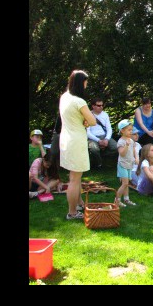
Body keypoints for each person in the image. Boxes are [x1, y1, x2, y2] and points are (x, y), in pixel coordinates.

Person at [59, 69, 97, 220]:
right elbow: (93, 121)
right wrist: (86, 121)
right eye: (86, 82)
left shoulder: (65, 97)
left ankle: (80, 202)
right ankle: (72, 212)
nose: (87, 85)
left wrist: (84, 121)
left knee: (75, 176)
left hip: (66, 139)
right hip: (76, 141)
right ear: (81, 83)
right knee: (74, 179)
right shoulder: (79, 101)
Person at [87, 98, 118, 169]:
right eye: (98, 105)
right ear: (93, 106)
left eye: (102, 105)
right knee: (94, 149)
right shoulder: (88, 115)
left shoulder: (105, 114)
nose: (101, 107)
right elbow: (88, 133)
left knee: (116, 147)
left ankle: (101, 156)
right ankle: (99, 164)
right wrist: (99, 141)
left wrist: (106, 139)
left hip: (104, 136)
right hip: (93, 137)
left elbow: (109, 129)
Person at [114, 119, 139, 207]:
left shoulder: (131, 141)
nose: (131, 132)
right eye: (129, 130)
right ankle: (117, 200)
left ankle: (126, 199)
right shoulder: (121, 141)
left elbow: (133, 150)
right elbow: (122, 153)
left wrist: (136, 158)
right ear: (122, 131)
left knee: (127, 183)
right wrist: (126, 145)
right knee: (124, 183)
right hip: (122, 165)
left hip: (129, 164)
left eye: (131, 130)